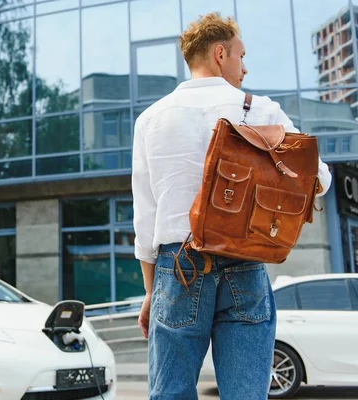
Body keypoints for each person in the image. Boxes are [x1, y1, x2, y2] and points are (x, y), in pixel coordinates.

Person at [131, 12, 332, 400]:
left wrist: (150, 291)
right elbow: (319, 179)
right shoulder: (261, 110)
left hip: (179, 267)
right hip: (244, 260)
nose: (245, 67)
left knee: (169, 393)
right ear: (220, 53)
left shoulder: (150, 120)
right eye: (241, 55)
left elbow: (145, 217)